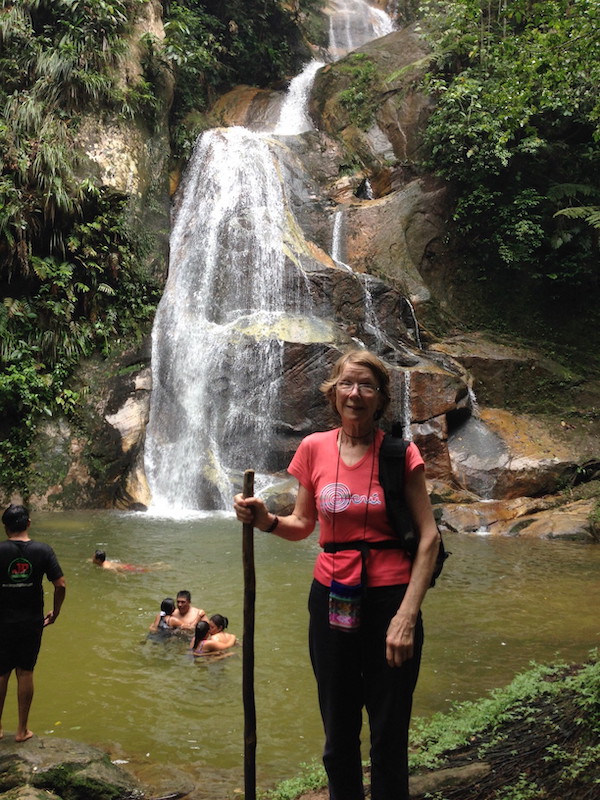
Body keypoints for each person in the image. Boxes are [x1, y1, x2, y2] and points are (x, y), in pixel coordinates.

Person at [234, 349, 440, 800]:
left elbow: (429, 539)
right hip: (331, 597)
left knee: (388, 737)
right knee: (338, 732)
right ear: (333, 392)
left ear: (381, 397)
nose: (355, 394)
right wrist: (266, 519)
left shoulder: (399, 453)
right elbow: (303, 525)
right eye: (347, 384)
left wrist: (407, 617)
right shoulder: (313, 449)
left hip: (391, 602)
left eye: (367, 385)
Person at [0, 504, 66, 742]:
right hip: (31, 622)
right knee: (25, 672)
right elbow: (60, 584)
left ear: (5, 527)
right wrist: (55, 613)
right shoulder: (42, 550)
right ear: (28, 523)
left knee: (1, 673)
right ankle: (21, 730)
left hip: (2, 622)